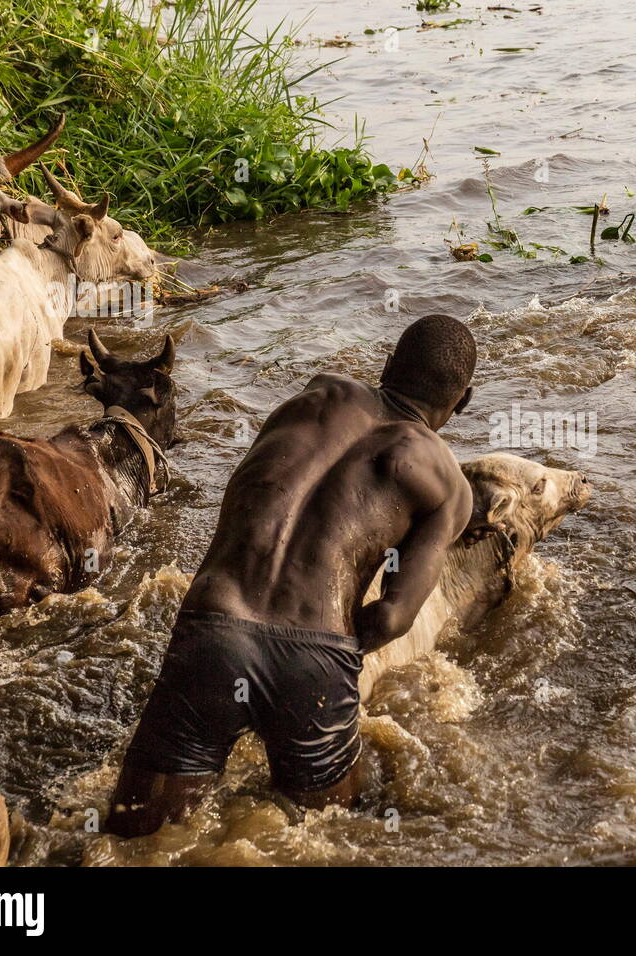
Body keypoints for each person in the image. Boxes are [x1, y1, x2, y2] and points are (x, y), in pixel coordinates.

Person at [105, 315, 477, 837]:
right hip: (315, 658)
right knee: (329, 835)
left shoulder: (317, 395)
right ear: (462, 402)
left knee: (133, 839)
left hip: (213, 630)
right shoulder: (449, 485)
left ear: (388, 365)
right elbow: (392, 618)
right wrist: (310, 667)